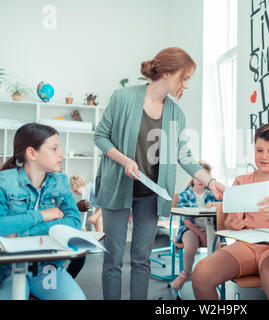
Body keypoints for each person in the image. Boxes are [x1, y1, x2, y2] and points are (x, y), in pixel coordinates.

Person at [94, 47, 225, 300]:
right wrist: (124, 161)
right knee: (113, 258)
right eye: (184, 78)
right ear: (167, 73)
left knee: (142, 260)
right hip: (117, 188)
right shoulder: (123, 98)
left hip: (150, 195)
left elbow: (184, 156)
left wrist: (211, 182)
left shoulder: (177, 114)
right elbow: (100, 136)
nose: (186, 85)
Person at [192, 122, 269, 300]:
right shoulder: (242, 181)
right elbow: (229, 225)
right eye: (259, 150)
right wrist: (233, 226)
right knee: (201, 273)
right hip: (246, 247)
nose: (264, 157)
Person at [0, 123, 86, 300]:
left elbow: (74, 222)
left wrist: (21, 232)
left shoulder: (60, 181)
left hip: (45, 269)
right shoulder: (6, 180)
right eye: (54, 148)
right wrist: (42, 215)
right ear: (32, 153)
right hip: (5, 269)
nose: (61, 154)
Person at [171, 161, 220, 291]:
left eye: (205, 177)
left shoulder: (212, 195)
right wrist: (201, 235)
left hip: (209, 227)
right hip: (190, 228)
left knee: (217, 247)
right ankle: (185, 273)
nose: (200, 180)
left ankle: (212, 277)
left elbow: (222, 208)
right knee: (189, 248)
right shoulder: (185, 195)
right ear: (193, 177)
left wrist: (217, 204)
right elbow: (186, 221)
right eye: (198, 176)